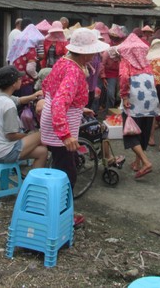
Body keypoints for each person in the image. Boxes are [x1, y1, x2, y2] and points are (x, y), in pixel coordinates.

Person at [39, 28, 109, 225]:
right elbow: (60, 102)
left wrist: (79, 108)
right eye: (93, 51)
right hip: (60, 129)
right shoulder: (74, 71)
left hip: (52, 121)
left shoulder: (63, 62)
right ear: (85, 52)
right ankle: (62, 217)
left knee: (61, 169)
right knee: (67, 175)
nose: (95, 55)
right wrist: (65, 134)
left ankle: (55, 211)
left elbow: (47, 86)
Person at [0, 66, 47, 169]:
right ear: (14, 83)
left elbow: (19, 100)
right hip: (3, 152)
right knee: (41, 134)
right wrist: (28, 135)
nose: (21, 80)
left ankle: (30, 181)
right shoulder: (8, 105)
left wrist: (33, 96)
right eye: (19, 79)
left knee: (42, 152)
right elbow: (11, 135)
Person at [117, 33, 160, 178]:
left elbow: (123, 78)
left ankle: (146, 162)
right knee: (143, 131)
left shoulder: (126, 62)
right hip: (151, 100)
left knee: (130, 132)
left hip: (135, 99)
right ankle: (137, 162)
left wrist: (123, 95)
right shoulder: (148, 63)